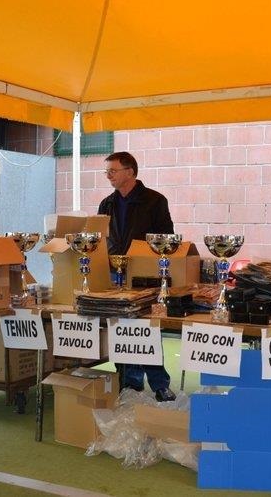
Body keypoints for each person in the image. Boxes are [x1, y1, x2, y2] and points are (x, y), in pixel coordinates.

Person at [98, 152, 176, 402]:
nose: (108, 176)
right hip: (114, 275)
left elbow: (167, 239)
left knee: (146, 330)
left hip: (145, 276)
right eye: (107, 171)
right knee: (121, 331)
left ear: (130, 172)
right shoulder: (106, 204)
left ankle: (159, 384)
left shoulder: (155, 201)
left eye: (113, 171)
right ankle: (129, 384)